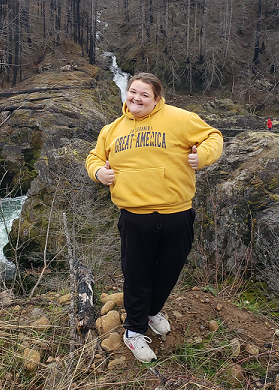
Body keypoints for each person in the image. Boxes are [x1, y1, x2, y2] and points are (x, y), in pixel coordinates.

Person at [85, 72, 223, 363]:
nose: (136, 98)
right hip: (135, 217)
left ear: (157, 99)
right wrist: (99, 172)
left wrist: (204, 156)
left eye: (144, 94)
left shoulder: (180, 119)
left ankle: (151, 311)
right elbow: (94, 157)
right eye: (133, 92)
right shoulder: (111, 130)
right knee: (137, 275)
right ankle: (133, 331)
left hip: (177, 213)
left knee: (169, 270)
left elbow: (213, 136)